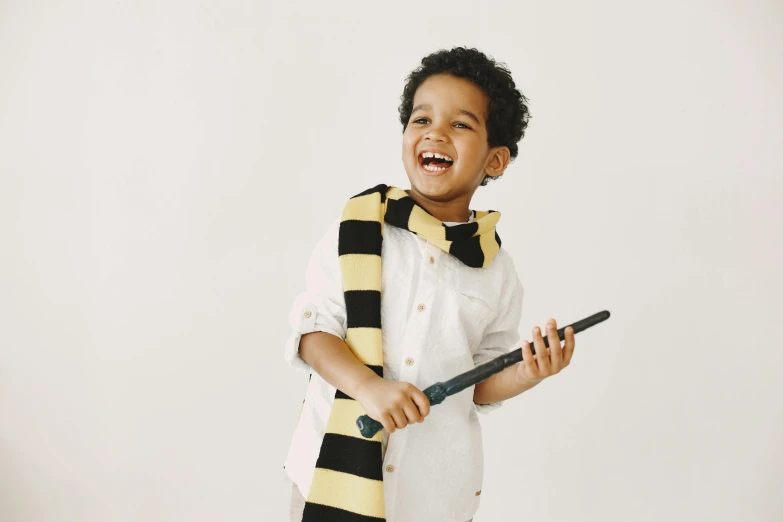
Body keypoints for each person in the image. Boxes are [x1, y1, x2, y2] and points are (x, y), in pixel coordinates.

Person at [283, 47, 576, 522]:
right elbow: (314, 331)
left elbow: (480, 382)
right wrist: (368, 387)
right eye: (421, 120)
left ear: (495, 160)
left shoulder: (496, 270)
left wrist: (529, 370)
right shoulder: (359, 228)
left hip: (432, 494)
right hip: (328, 476)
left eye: (461, 125)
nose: (435, 133)